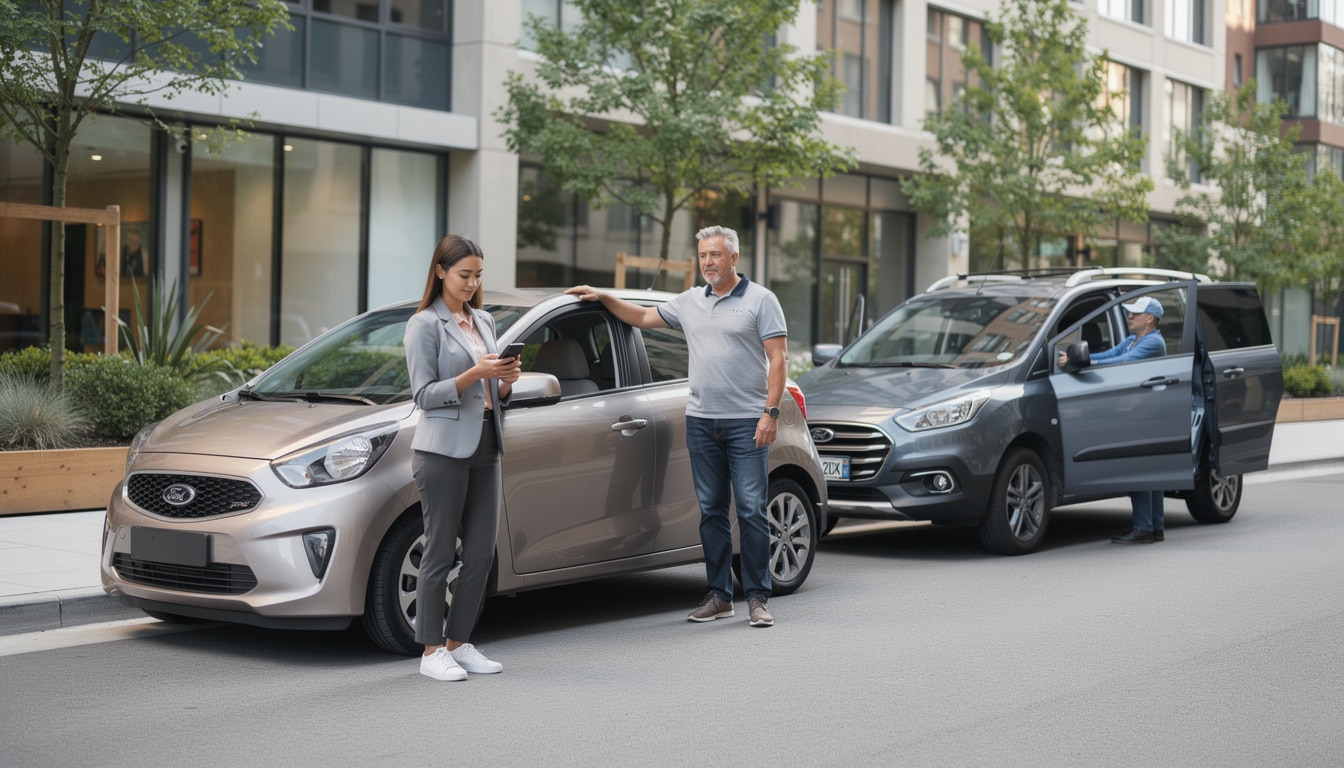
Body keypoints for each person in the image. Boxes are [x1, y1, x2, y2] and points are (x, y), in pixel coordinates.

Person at [567, 225, 787, 627]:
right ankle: (720, 595)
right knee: (711, 512)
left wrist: (770, 414)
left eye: (715, 255)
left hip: (746, 423)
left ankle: (757, 597)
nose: (708, 262)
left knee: (753, 511)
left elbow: (778, 359)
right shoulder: (689, 302)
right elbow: (643, 316)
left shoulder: (761, 300)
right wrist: (603, 296)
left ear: (734, 258)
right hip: (701, 422)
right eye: (703, 255)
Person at [404, 234, 521, 680]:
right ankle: (431, 650)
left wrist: (505, 379)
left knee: (480, 554)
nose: (471, 283)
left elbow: (492, 394)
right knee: (438, 551)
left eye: (477, 276)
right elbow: (424, 395)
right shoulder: (424, 325)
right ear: (440, 272)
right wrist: (477, 372)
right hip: (442, 451)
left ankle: (458, 642)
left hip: (487, 444)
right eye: (463, 275)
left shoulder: (484, 321)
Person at [1058, 294, 1168, 544]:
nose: (1129, 316)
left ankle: (1144, 527)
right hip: (1141, 412)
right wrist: (1083, 359)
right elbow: (1110, 354)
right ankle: (1154, 528)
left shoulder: (1153, 342)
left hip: (1147, 414)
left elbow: (1123, 362)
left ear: (1149, 319)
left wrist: (1083, 360)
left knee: (1140, 468)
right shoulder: (1133, 339)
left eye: (1135, 314)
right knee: (1149, 469)